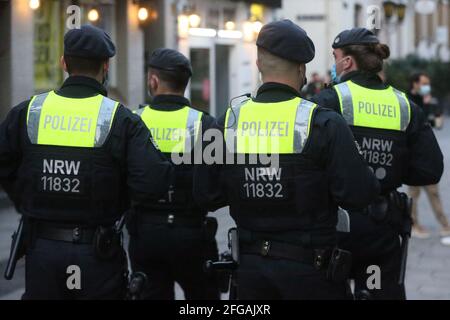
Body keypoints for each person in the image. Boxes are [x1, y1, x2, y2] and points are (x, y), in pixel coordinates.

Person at [194, 20, 380, 300]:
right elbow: (358, 194)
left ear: (258, 63)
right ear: (302, 69)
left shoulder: (226, 122)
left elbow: (204, 195)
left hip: (250, 275)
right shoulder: (324, 123)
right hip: (312, 274)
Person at [0, 25, 173, 300]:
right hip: (96, 254)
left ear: (64, 63)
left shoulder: (29, 111)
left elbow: (4, 165)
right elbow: (153, 182)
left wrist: (27, 198)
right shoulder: (121, 118)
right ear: (106, 67)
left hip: (42, 250)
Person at [312, 28, 444, 300]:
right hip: (381, 229)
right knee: (376, 291)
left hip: (333, 227)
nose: (334, 64)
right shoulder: (404, 104)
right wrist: (392, 167)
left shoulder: (328, 100)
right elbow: (430, 169)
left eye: (335, 57)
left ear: (347, 61)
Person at [127, 48, 219, 300]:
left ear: (153, 81)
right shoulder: (205, 123)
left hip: (146, 233)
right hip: (192, 233)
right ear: (185, 84)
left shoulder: (134, 121)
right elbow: (215, 186)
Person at [407, 72, 450, 239]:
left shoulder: (428, 100)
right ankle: (414, 224)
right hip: (412, 155)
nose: (427, 87)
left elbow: (433, 123)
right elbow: (416, 123)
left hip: (426, 153)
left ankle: (445, 224)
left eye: (428, 84)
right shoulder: (407, 99)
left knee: (433, 191)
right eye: (424, 83)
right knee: (413, 194)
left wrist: (434, 112)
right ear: (415, 83)